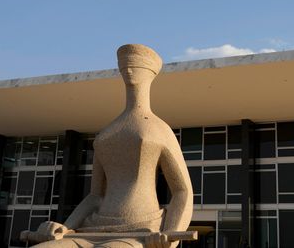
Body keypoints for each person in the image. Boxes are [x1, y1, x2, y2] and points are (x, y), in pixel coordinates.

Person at [23, 44, 193, 248]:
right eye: (124, 67)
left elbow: (183, 191)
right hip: (92, 226)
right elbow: (95, 195)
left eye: (134, 66)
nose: (128, 71)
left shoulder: (159, 129)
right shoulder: (106, 134)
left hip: (141, 228)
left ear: (150, 73)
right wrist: (65, 227)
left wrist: (169, 233)